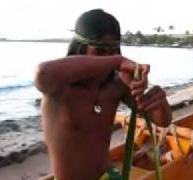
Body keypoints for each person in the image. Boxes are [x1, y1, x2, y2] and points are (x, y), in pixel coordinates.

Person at [35, 9, 172, 180]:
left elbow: (162, 120)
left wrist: (160, 102)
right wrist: (117, 61)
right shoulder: (60, 87)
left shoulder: (116, 85)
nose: (108, 58)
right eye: (100, 51)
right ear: (80, 48)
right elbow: (43, 73)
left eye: (113, 50)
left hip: (109, 175)